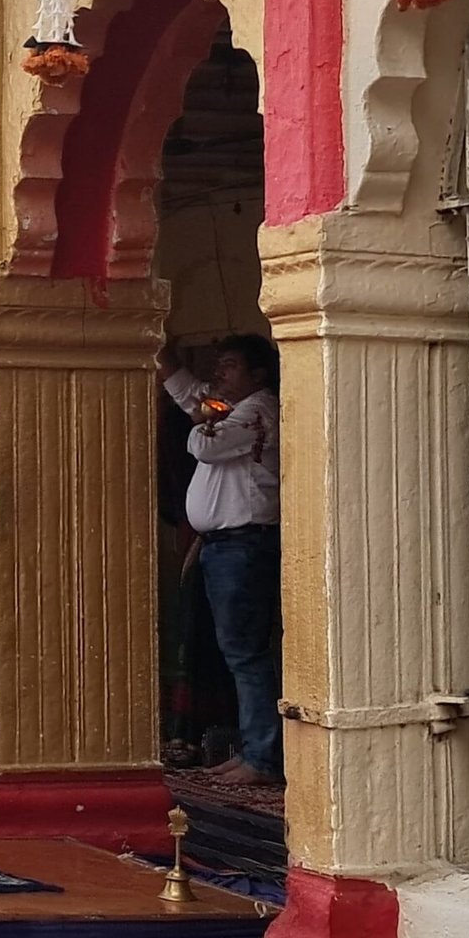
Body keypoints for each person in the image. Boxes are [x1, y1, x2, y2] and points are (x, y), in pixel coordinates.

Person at [158, 335, 281, 785]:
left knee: (246, 655)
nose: (219, 374)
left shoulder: (260, 410)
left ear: (258, 375)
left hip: (244, 545)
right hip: (224, 545)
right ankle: (254, 749)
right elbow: (197, 401)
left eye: (229, 366)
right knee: (233, 653)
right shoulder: (232, 412)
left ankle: (264, 757)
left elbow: (205, 442)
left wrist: (199, 418)